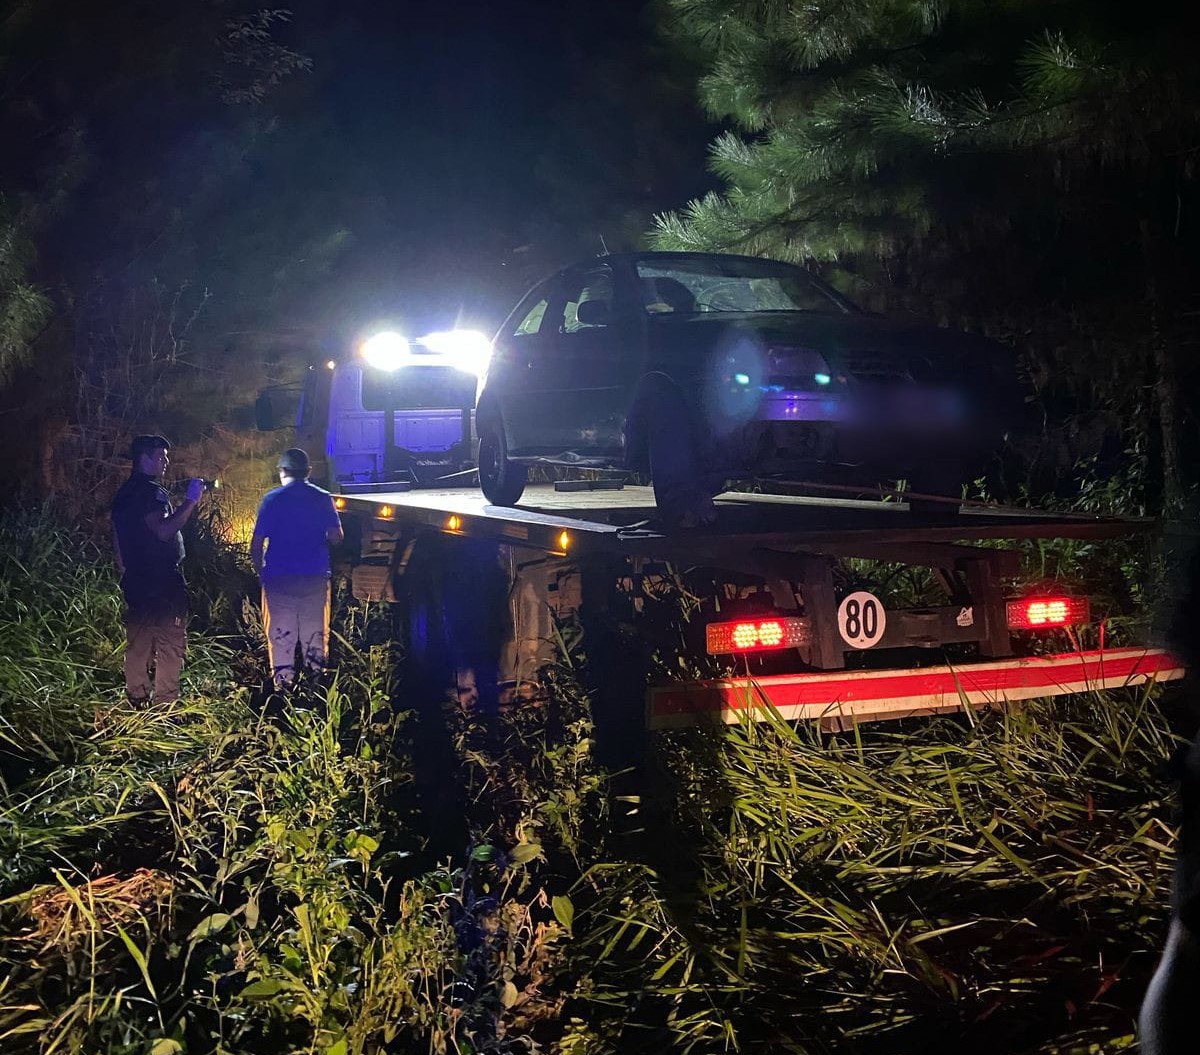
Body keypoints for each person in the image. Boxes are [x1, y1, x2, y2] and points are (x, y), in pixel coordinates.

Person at [110, 434, 206, 705]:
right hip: (162, 582)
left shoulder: (124, 493)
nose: (166, 461)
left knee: (138, 643)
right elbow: (163, 531)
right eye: (161, 456)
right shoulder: (152, 492)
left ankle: (136, 699)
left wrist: (124, 571)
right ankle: (165, 706)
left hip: (136, 580)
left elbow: (116, 537)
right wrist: (191, 501)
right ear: (145, 459)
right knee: (170, 643)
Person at [251, 447, 344, 687]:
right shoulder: (322, 497)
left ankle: (284, 691)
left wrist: (261, 572)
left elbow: (257, 542)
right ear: (308, 471)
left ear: (282, 471)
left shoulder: (271, 499)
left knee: (281, 638)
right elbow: (336, 536)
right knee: (315, 638)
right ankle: (316, 689)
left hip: (279, 579)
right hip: (314, 577)